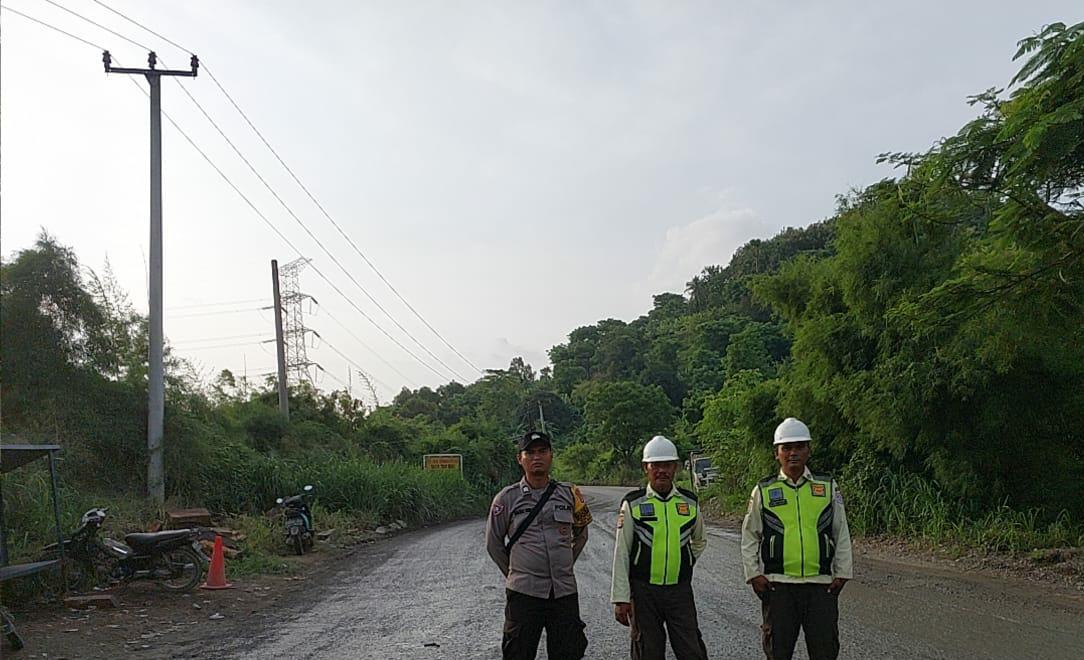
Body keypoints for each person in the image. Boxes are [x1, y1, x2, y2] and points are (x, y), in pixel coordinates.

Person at [741, 417, 853, 660]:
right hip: (778, 586)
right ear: (777, 453)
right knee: (778, 652)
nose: (793, 453)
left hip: (820, 586)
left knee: (825, 651)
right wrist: (753, 573)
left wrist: (843, 572)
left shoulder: (827, 486)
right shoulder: (764, 490)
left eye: (799, 447)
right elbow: (750, 534)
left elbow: (841, 531)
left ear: (808, 450)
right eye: (787, 448)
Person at [486, 430, 593, 660]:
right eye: (530, 453)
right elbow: (493, 543)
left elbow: (582, 534)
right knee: (518, 653)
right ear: (520, 459)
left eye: (542, 451)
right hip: (524, 593)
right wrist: (516, 573)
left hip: (563, 592)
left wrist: (565, 565)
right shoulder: (506, 498)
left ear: (551, 455)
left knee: (569, 653)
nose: (537, 457)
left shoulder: (570, 494)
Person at [611, 435, 708, 660]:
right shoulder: (633, 503)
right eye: (655, 465)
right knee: (648, 651)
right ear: (645, 468)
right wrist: (621, 598)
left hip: (679, 591)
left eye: (667, 465)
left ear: (675, 467)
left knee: (691, 650)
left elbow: (700, 540)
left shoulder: (689, 502)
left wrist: (685, 560)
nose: (661, 471)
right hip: (643, 592)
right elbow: (622, 551)